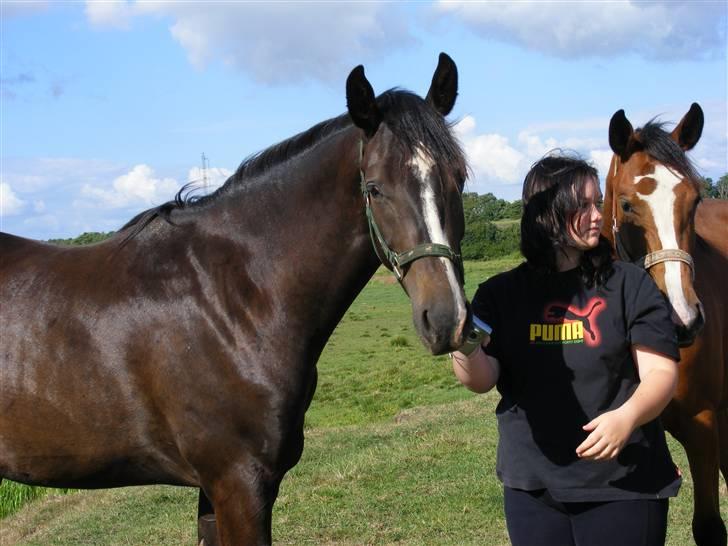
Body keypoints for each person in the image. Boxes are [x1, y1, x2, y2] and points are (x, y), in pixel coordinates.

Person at [452, 152, 681, 546]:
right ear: (548, 214)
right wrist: (464, 347)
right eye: (583, 205)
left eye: (597, 203)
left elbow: (661, 375)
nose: (597, 215)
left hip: (622, 483)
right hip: (533, 487)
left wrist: (625, 419)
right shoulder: (501, 293)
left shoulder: (628, 284)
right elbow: (481, 380)